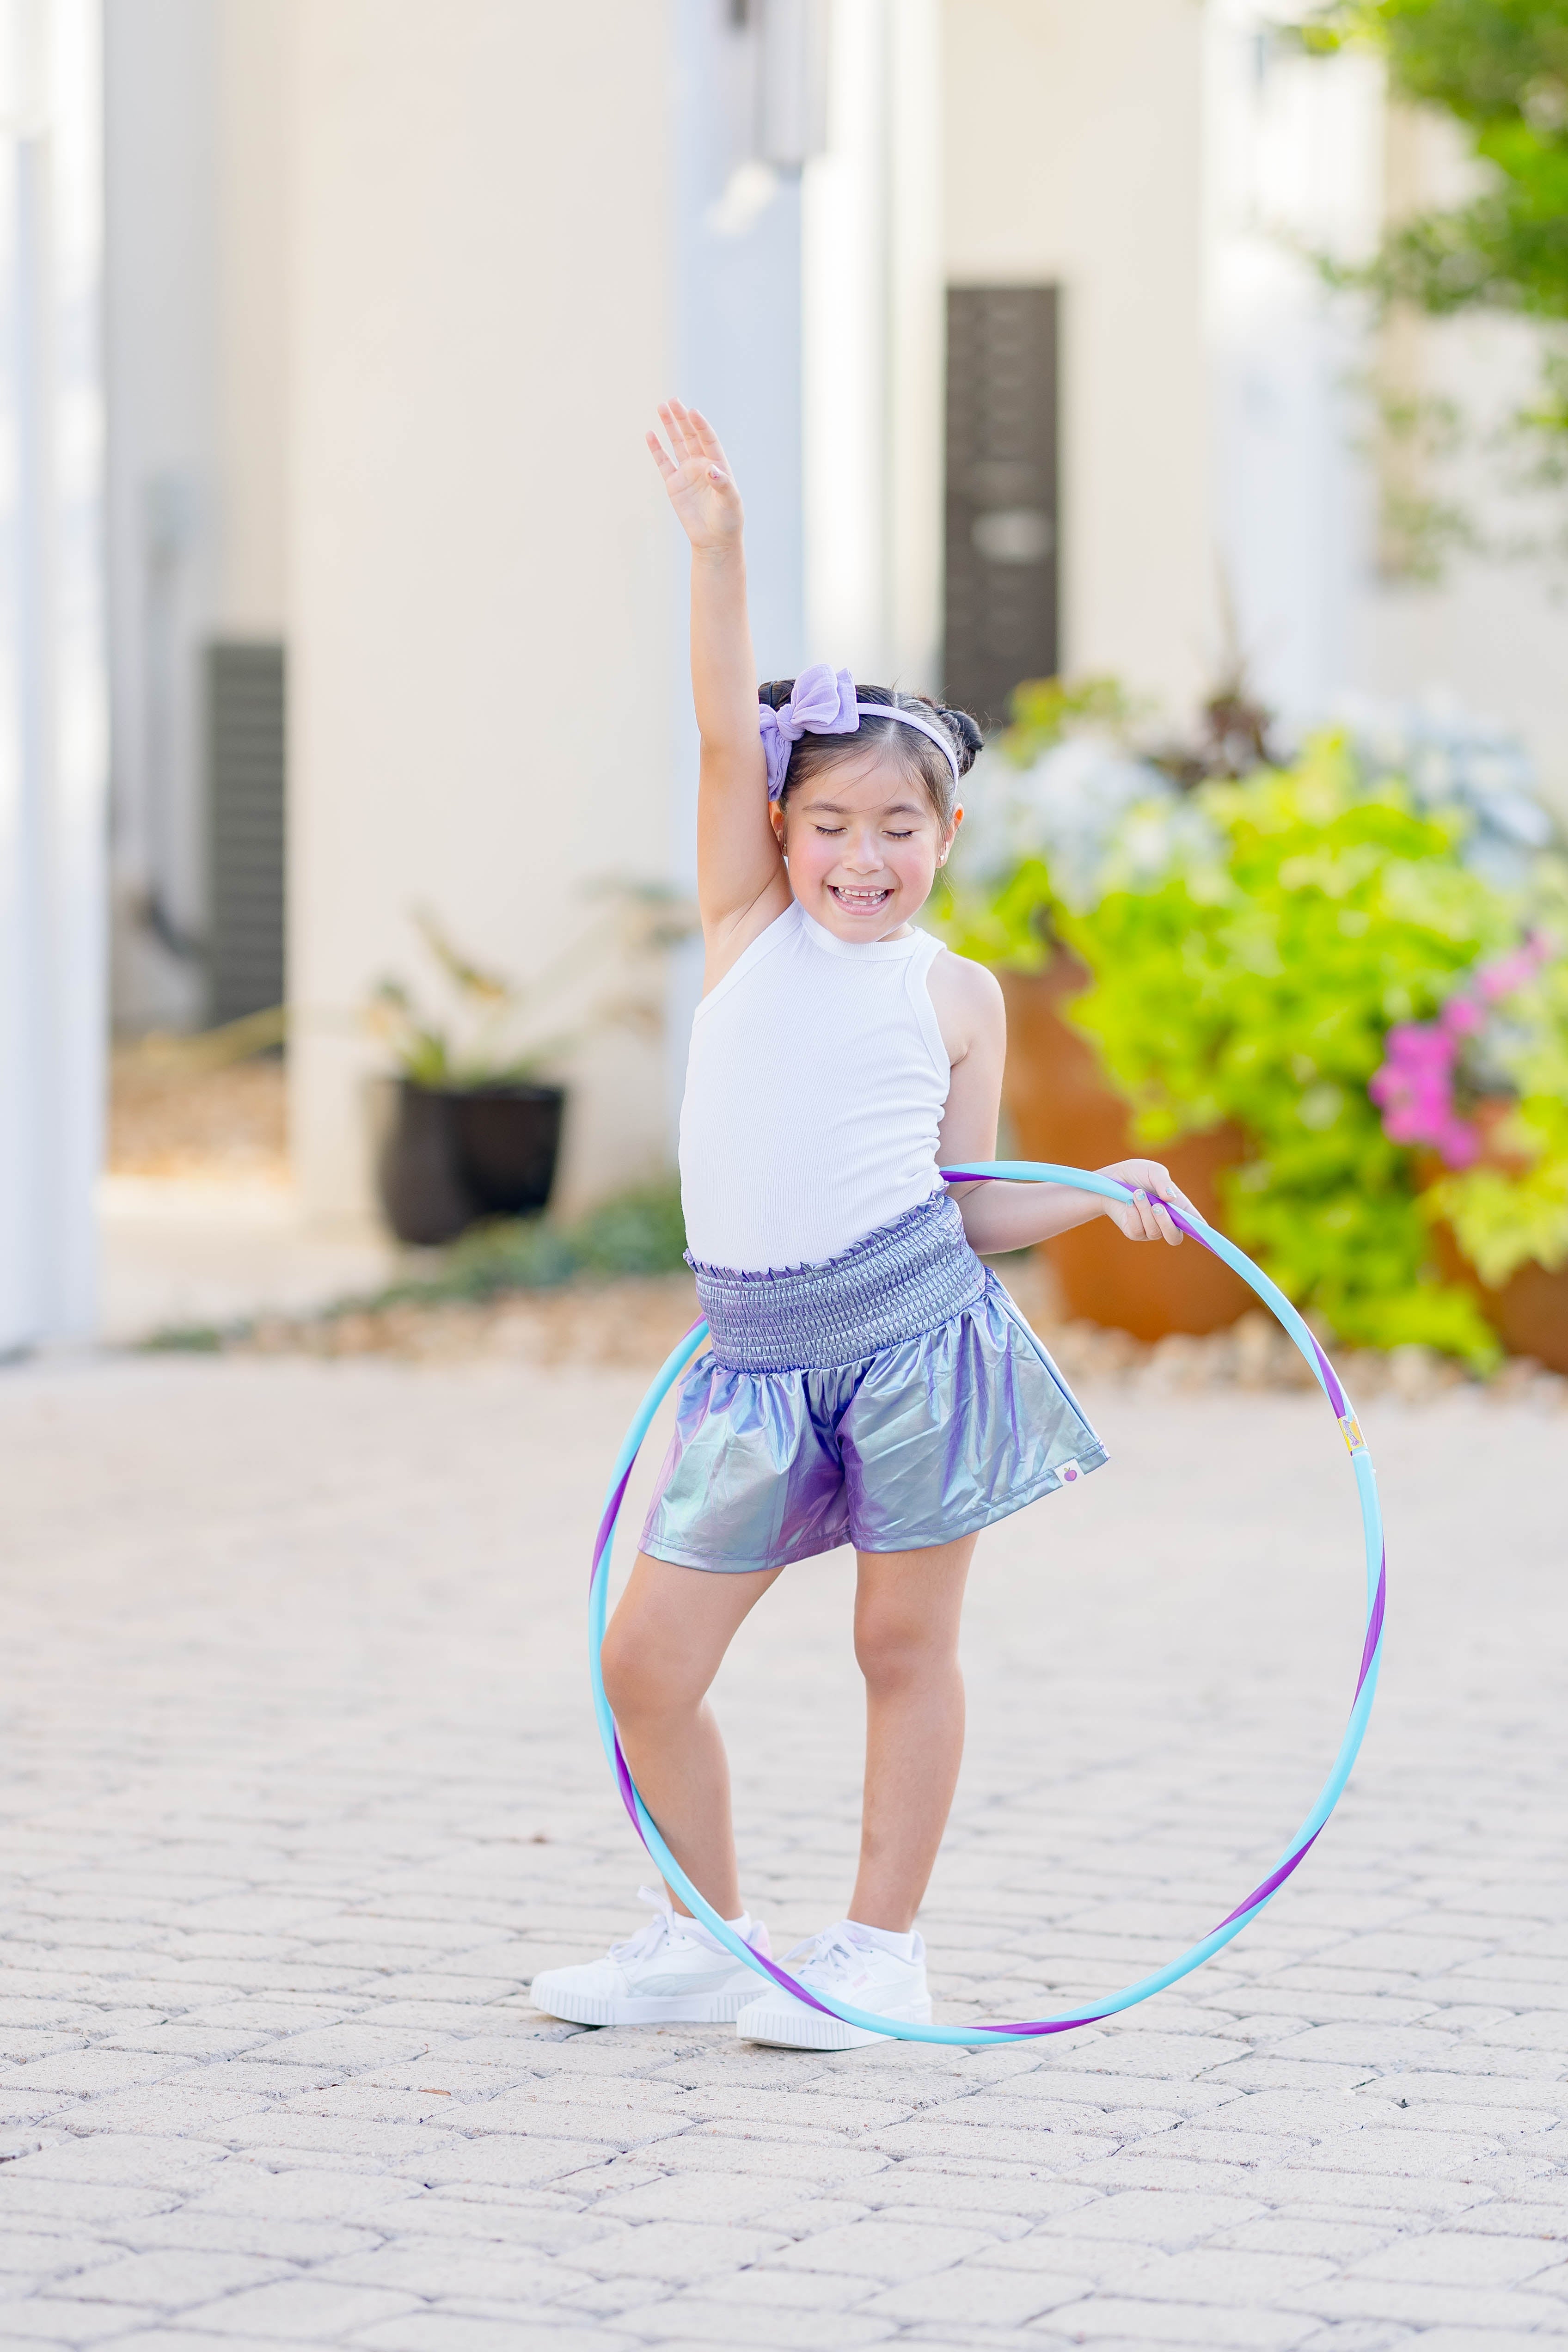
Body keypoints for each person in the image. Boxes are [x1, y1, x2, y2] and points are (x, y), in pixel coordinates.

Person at [530, 401, 1192, 2049]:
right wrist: (719, 549)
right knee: (646, 1666)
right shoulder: (746, 928)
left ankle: (879, 1950)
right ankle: (702, 1935)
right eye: (831, 824)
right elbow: (709, 731)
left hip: (913, 1343)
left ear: (947, 840)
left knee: (902, 1642)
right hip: (753, 1361)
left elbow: (969, 1210)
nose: (864, 856)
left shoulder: (957, 998)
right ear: (778, 834)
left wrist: (1115, 1191)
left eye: (902, 829)